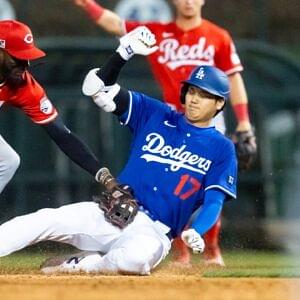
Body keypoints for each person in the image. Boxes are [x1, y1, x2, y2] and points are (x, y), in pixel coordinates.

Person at [0, 27, 237, 275]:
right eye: (192, 91)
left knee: (133, 261)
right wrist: (123, 53)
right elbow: (97, 88)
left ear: (219, 103)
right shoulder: (155, 114)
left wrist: (197, 230)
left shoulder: (222, 148)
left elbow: (214, 201)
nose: (194, 99)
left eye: (204, 95)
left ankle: (79, 265)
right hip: (109, 212)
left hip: (154, 232)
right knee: (42, 220)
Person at [72, 0, 256, 266]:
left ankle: (212, 247)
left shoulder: (218, 36)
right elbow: (113, 23)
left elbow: (233, 79)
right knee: (172, 185)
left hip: (210, 122)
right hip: (170, 120)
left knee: (209, 187)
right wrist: (86, 3)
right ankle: (180, 250)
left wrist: (244, 123)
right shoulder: (157, 32)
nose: (189, 1)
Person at [0, 20, 106, 194]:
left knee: (8, 161)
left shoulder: (25, 87)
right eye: (16, 58)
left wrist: (103, 175)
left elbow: (62, 135)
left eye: (26, 58)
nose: (23, 66)